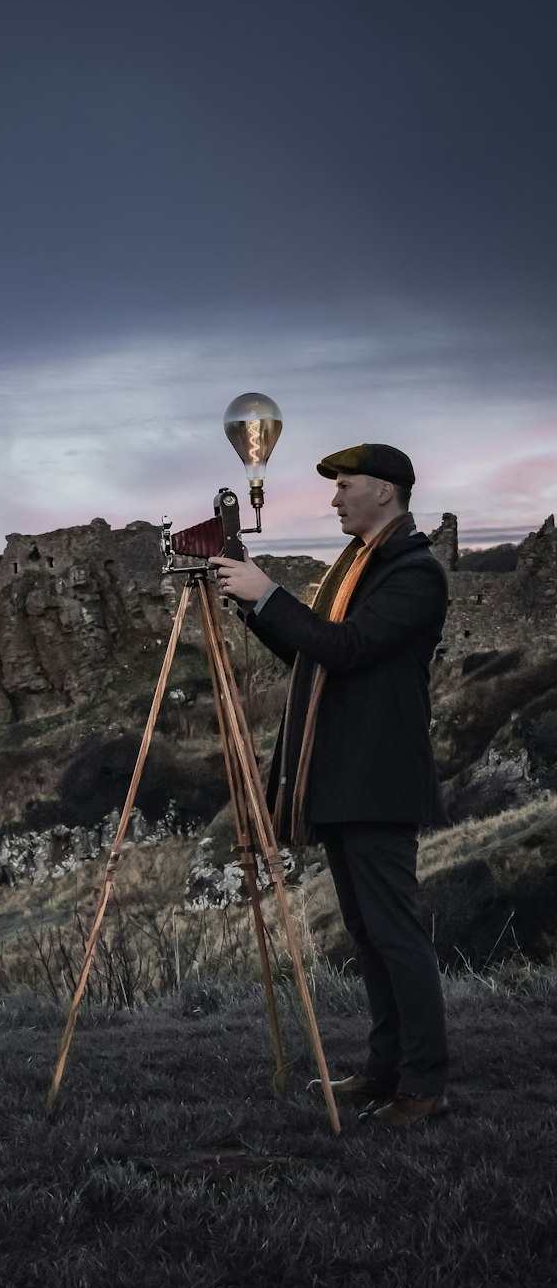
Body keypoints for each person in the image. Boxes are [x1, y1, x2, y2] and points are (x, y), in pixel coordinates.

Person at [211, 443, 450, 1128]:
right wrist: (257, 607)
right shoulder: (356, 571)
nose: (335, 499)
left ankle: (425, 1087)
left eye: (346, 487)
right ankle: (385, 1072)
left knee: (397, 934)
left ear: (385, 491)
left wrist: (271, 594)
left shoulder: (415, 574)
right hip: (344, 775)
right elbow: (311, 651)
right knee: (368, 933)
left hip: (377, 777)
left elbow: (346, 649)